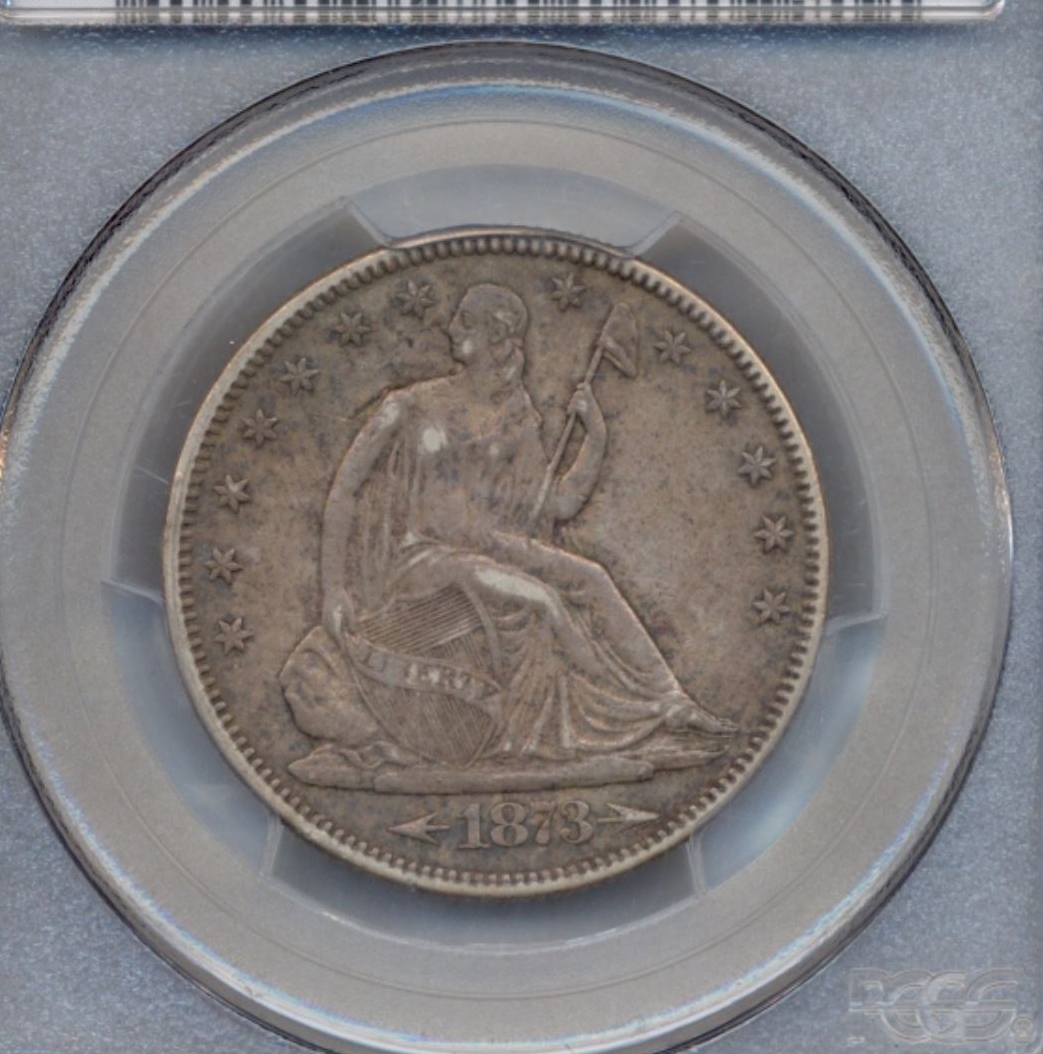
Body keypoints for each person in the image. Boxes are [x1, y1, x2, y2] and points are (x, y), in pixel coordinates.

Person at [282, 283, 731, 789]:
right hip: (423, 559)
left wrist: (595, 438)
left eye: (464, 321)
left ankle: (671, 702)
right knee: (543, 601)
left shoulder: (516, 414)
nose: (450, 328)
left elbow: (557, 504)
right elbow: (344, 491)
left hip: (492, 547)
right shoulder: (408, 405)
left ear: (495, 336)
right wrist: (333, 590)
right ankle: (634, 718)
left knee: (592, 577)